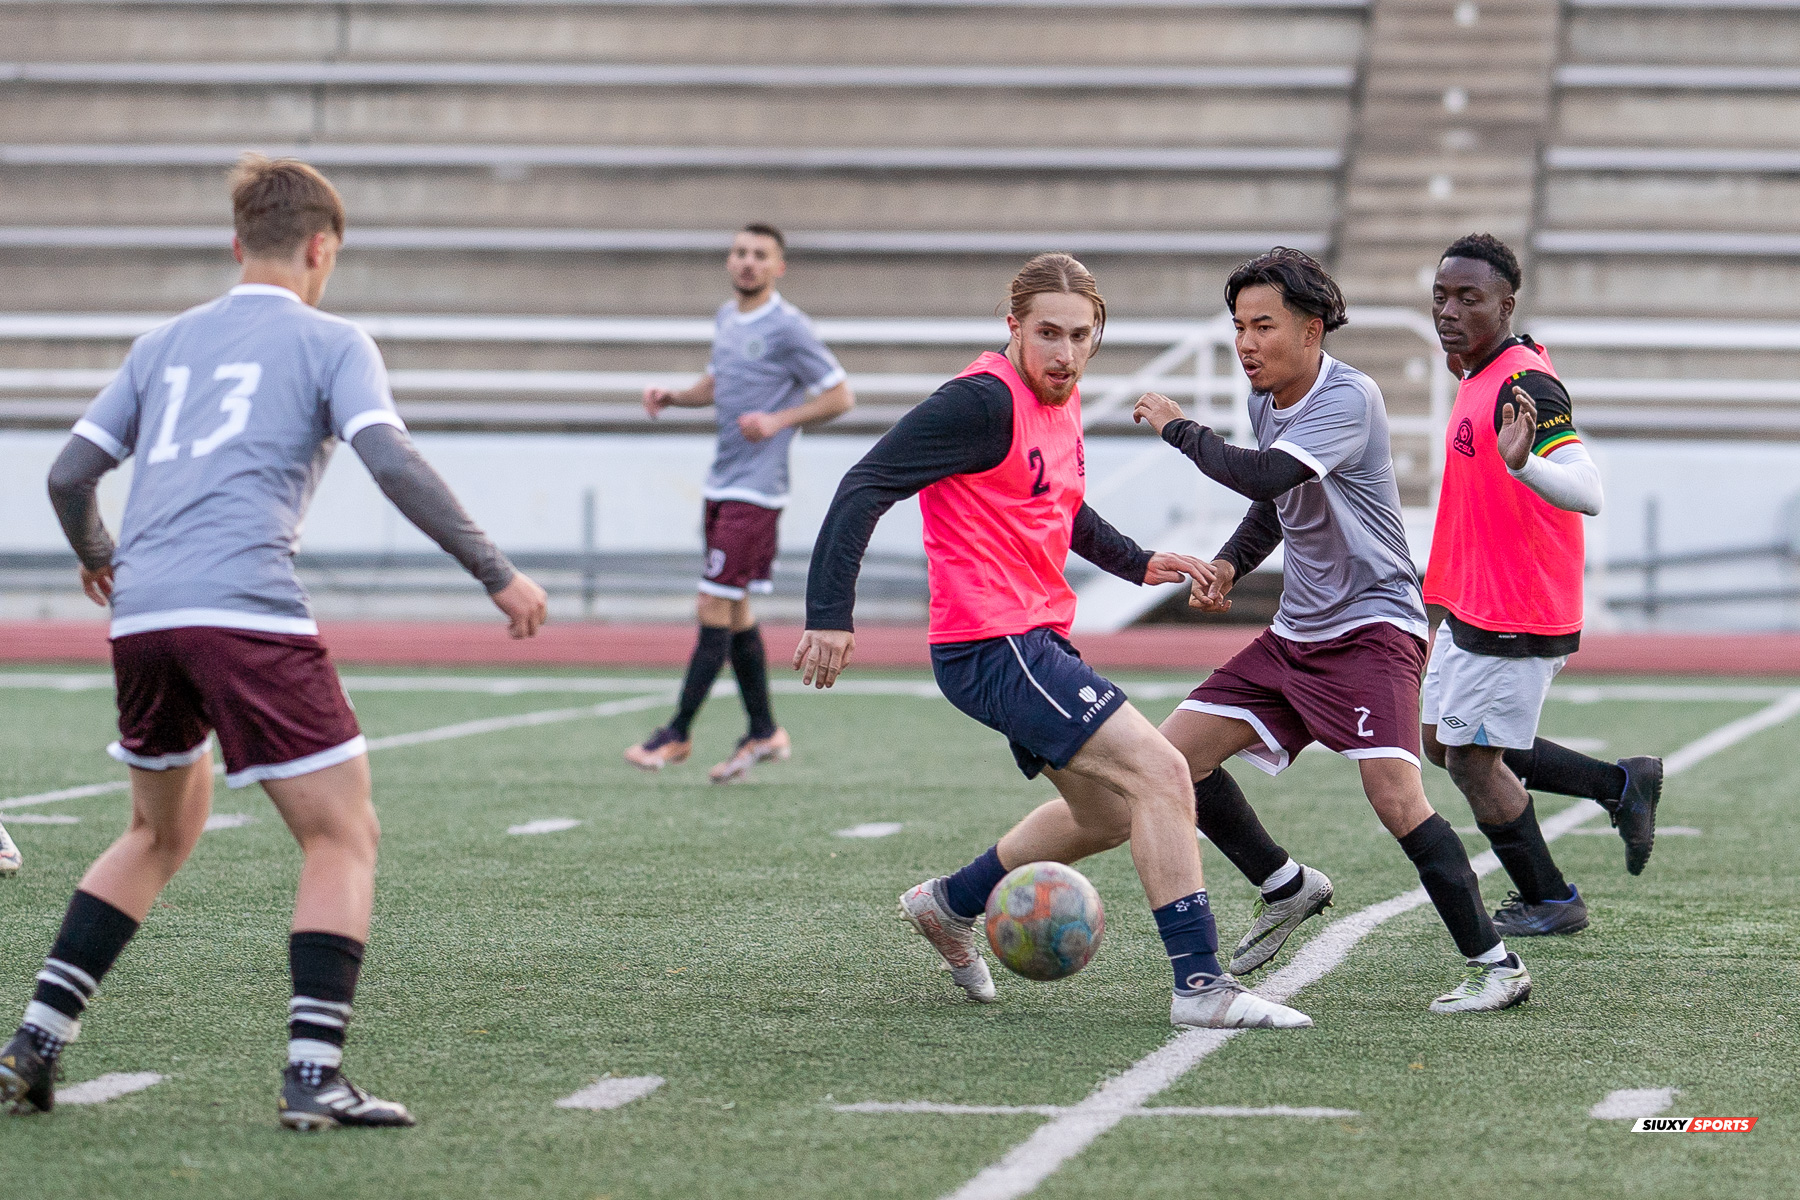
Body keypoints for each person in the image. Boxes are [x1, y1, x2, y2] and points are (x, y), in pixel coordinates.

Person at [0, 155, 549, 1128]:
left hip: (144, 617)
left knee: (156, 832)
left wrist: (101, 555)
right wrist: (495, 570)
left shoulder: (162, 343)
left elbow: (67, 474)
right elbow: (392, 461)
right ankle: (313, 1076)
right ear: (322, 247)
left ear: (235, 243)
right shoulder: (334, 341)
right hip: (245, 608)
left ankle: (33, 1043)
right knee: (342, 834)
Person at [795, 253, 1310, 1031]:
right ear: (1013, 328)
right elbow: (865, 484)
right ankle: (1202, 985)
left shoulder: (1058, 399)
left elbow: (1059, 506)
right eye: (1047, 334)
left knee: (1106, 815)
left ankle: (950, 903)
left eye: (1079, 335)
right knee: (1165, 772)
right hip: (991, 642)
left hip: (1034, 640)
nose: (1064, 353)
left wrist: (1139, 561)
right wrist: (830, 612)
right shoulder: (979, 403)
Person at [1131, 247, 1530, 1013]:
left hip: (1374, 626)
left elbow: (1261, 475)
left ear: (1313, 329)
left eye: (1263, 326)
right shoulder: (1266, 399)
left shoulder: (1351, 397)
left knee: (1394, 796)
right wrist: (1227, 563)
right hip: (1296, 635)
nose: (1245, 343)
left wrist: (1179, 428)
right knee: (1168, 762)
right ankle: (1285, 885)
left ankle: (1497, 964)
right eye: (1238, 326)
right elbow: (1273, 506)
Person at [1423, 233, 1662, 937]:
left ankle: (1551, 898)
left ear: (1506, 304)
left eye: (1469, 298)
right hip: (1475, 596)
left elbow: (1587, 489)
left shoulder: (1527, 383)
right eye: (1441, 296)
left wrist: (1527, 466)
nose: (1449, 310)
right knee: (1442, 741)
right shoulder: (1476, 368)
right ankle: (1619, 786)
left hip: (1517, 606)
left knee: (1471, 760)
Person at [626, 224, 855, 783]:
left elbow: (840, 395)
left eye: (760, 255)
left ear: (778, 267)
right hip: (722, 483)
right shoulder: (726, 318)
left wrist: (778, 420)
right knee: (736, 612)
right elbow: (719, 381)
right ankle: (763, 730)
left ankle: (677, 732)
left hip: (757, 491)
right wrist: (676, 397)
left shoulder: (789, 327)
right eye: (740, 252)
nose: (747, 262)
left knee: (712, 606)